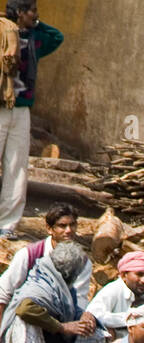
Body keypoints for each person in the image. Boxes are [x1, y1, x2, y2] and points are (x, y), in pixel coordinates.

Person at [0, 239, 98, 343]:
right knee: (26, 324)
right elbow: (24, 308)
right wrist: (62, 327)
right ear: (71, 273)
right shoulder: (41, 283)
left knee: (95, 335)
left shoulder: (62, 286)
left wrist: (85, 316)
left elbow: (72, 308)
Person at [0, 3, 62, 237]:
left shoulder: (35, 38)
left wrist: (36, 24)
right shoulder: (1, 31)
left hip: (21, 107)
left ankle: (7, 223)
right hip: (1, 106)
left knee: (17, 167)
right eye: (31, 11)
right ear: (19, 13)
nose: (36, 15)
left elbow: (57, 37)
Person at [0, 203, 91, 314]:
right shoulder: (29, 254)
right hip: (24, 316)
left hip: (62, 318)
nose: (68, 230)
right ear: (49, 229)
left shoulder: (82, 261)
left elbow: (79, 299)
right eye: (62, 226)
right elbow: (3, 293)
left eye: (72, 225)